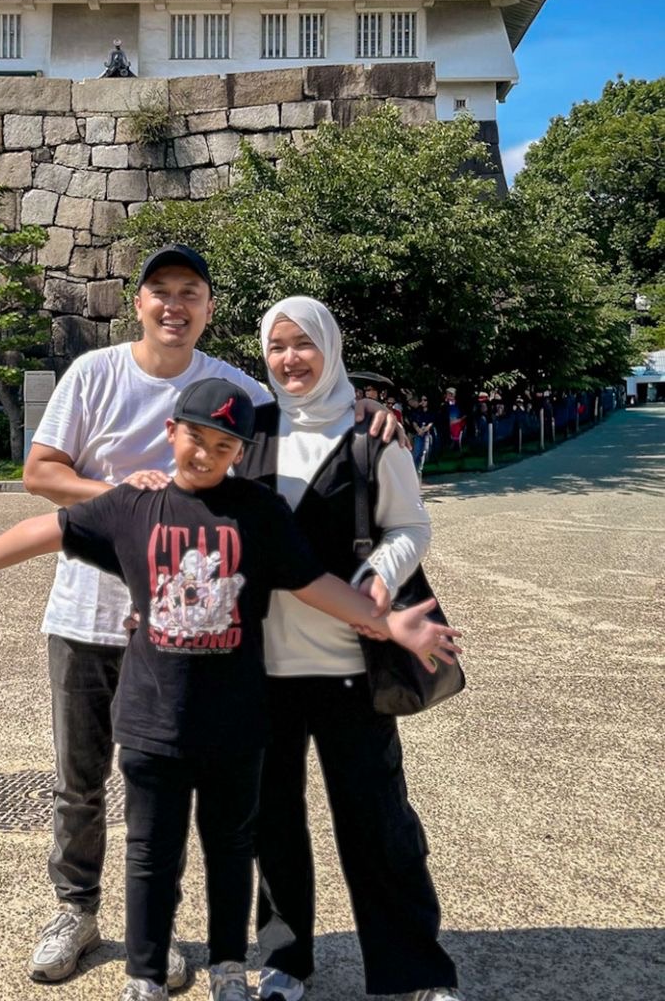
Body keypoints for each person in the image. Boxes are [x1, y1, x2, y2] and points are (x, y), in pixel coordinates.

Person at [0, 378, 461, 1001]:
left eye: (224, 445)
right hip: (153, 723)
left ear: (240, 452)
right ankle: (144, 976)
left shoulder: (258, 512)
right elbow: (52, 529)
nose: (205, 454)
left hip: (236, 723)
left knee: (233, 851)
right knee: (150, 853)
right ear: (171, 433)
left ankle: (229, 968)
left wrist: (389, 623)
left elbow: (313, 584)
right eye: (195, 437)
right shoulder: (134, 506)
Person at [21, 245, 403, 987]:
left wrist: (369, 412)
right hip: (88, 610)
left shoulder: (234, 386)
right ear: (137, 303)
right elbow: (40, 473)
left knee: (172, 793)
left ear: (209, 308)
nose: (174, 305)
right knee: (80, 778)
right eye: (160, 291)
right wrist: (129, 497)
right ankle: (75, 909)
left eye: (189, 292)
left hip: (191, 626)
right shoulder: (94, 373)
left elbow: (302, 409)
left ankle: (157, 932)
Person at [237, 298, 463, 1001]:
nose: (290, 359)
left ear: (330, 348)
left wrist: (380, 577)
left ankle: (415, 971)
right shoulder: (250, 431)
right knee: (272, 822)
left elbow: (410, 526)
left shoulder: (372, 434)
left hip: (350, 665)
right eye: (277, 346)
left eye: (303, 343)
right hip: (264, 667)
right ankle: (285, 960)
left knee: (378, 823)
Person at [408, 395, 437, 478]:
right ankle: (414, 471)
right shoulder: (417, 410)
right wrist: (418, 430)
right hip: (419, 433)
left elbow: (431, 422)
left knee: (425, 452)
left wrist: (425, 429)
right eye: (421, 400)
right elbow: (413, 421)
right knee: (417, 452)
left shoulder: (431, 411)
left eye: (425, 400)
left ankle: (420, 470)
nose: (423, 402)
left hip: (428, 434)